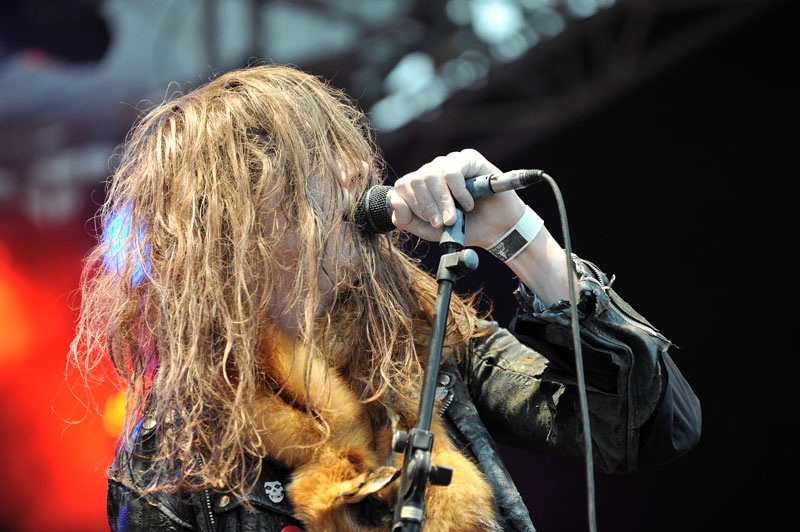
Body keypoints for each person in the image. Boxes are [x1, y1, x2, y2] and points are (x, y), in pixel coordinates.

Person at [70, 64, 701, 532]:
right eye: (317, 164)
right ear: (246, 222)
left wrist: (525, 240)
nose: (356, 176)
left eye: (349, 157)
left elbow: (650, 427)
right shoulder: (172, 463)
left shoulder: (416, 334)